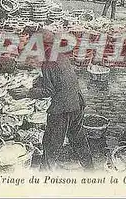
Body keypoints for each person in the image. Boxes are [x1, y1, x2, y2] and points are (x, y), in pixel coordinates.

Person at [26, 31, 93, 171]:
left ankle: (45, 175)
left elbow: (49, 91)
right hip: (77, 103)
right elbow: (59, 80)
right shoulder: (60, 56)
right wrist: (40, 81)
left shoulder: (49, 61)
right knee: (78, 139)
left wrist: (27, 93)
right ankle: (90, 168)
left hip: (62, 109)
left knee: (50, 144)